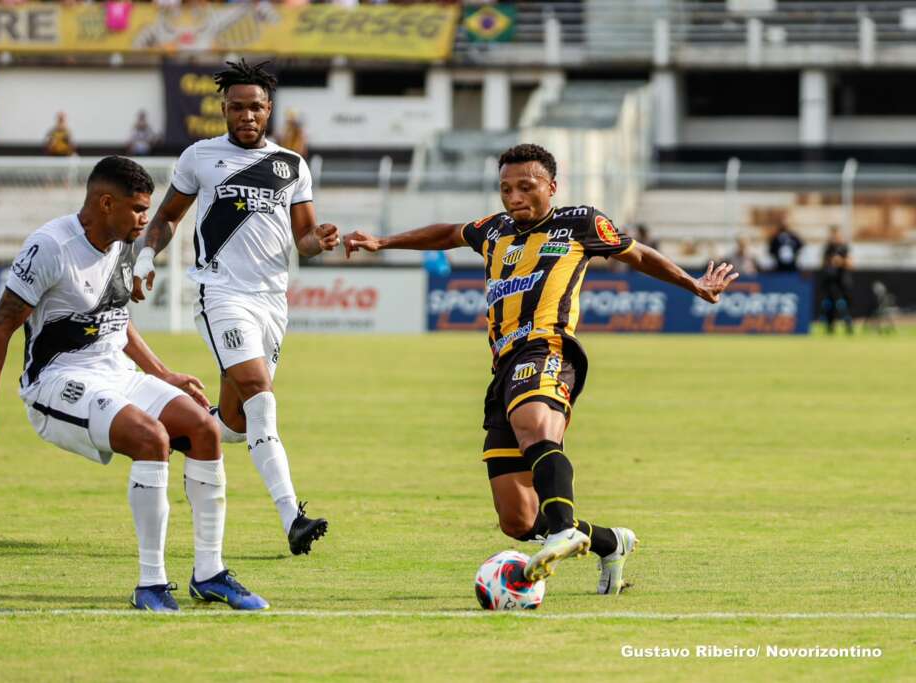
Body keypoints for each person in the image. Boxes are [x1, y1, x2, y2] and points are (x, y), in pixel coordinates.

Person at [343, 144, 738, 593]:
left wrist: (693, 284)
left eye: (526, 187)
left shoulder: (580, 223)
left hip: (548, 348)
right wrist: (383, 241)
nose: (514, 197)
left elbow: (639, 254)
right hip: (502, 365)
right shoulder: (493, 230)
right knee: (519, 520)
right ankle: (607, 542)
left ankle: (566, 527)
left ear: (552, 186)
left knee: (535, 427)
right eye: (506, 188)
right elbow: (447, 234)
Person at [0, 156, 268, 613]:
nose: (146, 218)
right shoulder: (51, 246)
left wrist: (162, 373)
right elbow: (2, 326)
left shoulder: (125, 243)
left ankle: (210, 572)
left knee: (204, 429)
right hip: (57, 381)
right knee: (151, 439)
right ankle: (151, 584)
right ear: (106, 203)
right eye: (139, 209)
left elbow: (117, 320)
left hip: (117, 374)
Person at [131, 59, 338, 555]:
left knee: (237, 424)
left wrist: (320, 240)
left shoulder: (291, 165)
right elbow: (166, 217)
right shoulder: (201, 156)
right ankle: (293, 516)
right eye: (237, 107)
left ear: (269, 111)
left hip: (271, 300)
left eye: (256, 107)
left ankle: (170, 427)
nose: (247, 115)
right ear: (223, 109)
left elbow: (303, 240)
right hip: (220, 293)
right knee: (259, 395)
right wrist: (142, 257)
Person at [819, 226, 854, 334]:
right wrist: (829, 262)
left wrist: (841, 261)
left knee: (842, 304)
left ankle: (848, 326)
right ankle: (830, 327)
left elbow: (851, 264)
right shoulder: (828, 248)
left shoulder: (844, 248)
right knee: (828, 304)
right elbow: (823, 263)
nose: (834, 238)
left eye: (836, 235)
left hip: (842, 281)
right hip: (830, 281)